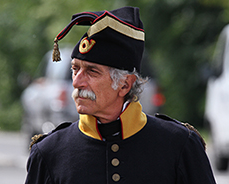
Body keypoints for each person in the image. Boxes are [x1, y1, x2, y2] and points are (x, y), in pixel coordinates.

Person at [25, 6, 216, 184]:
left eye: (92, 71)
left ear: (125, 85)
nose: (76, 81)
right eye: (75, 69)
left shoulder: (180, 145)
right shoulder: (49, 152)